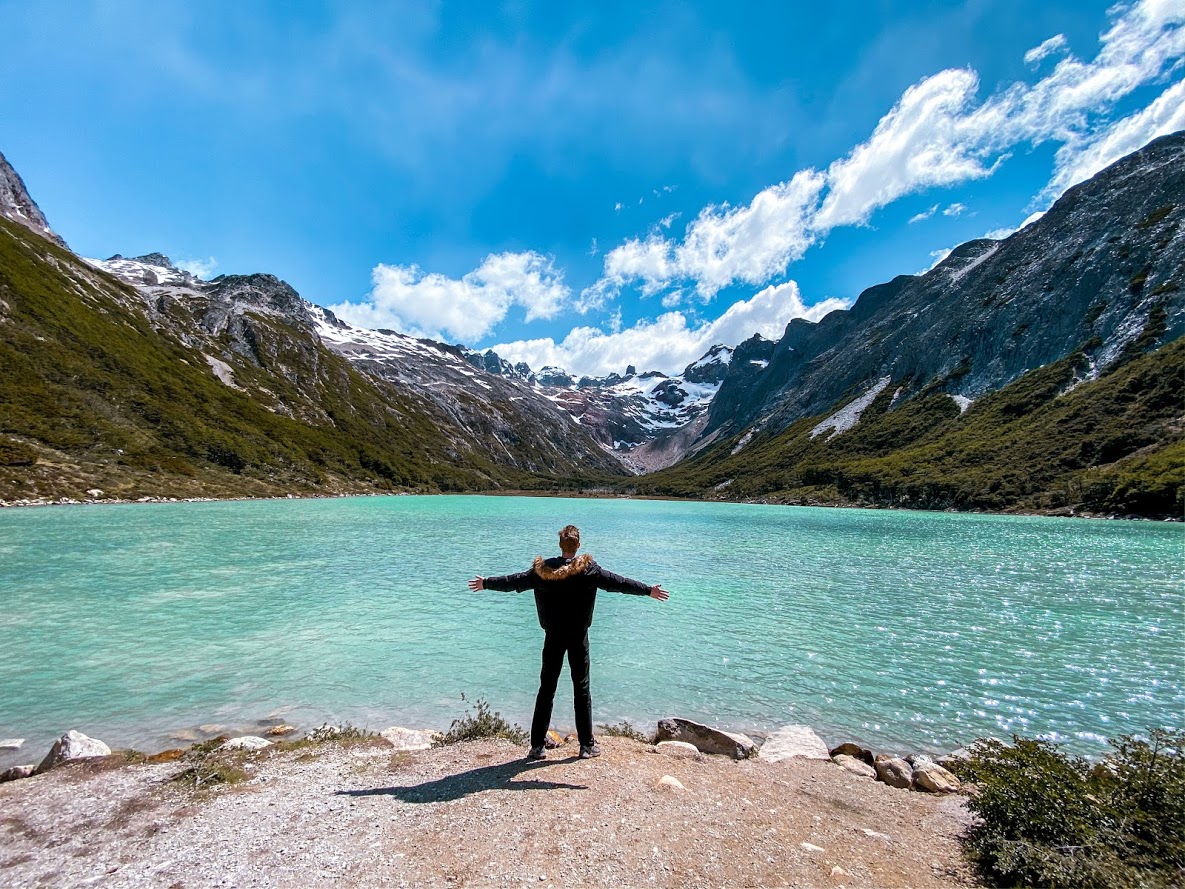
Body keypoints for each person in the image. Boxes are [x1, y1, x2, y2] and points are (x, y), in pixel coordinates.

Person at [468, 524, 669, 760]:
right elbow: (620, 583)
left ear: (560, 545)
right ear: (578, 545)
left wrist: (486, 583)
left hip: (552, 636)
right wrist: (648, 591)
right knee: (581, 688)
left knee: (546, 689)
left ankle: (536, 746)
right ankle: (586, 746)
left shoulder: (542, 570)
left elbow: (514, 582)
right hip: (578, 637)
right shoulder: (589, 570)